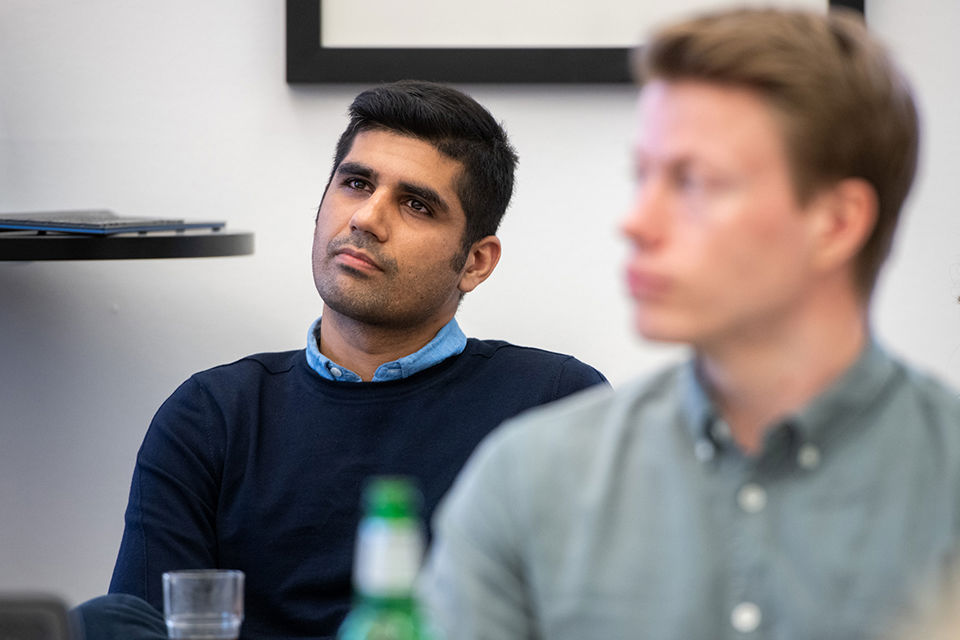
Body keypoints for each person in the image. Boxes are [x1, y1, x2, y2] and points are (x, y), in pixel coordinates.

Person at [420, 8, 960, 640]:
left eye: (694, 182)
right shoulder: (528, 480)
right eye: (644, 175)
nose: (636, 222)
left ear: (836, 223)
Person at [74, 80, 607, 639]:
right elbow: (141, 625)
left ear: (475, 262)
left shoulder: (554, 407)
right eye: (356, 183)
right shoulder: (214, 415)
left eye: (416, 204)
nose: (367, 219)